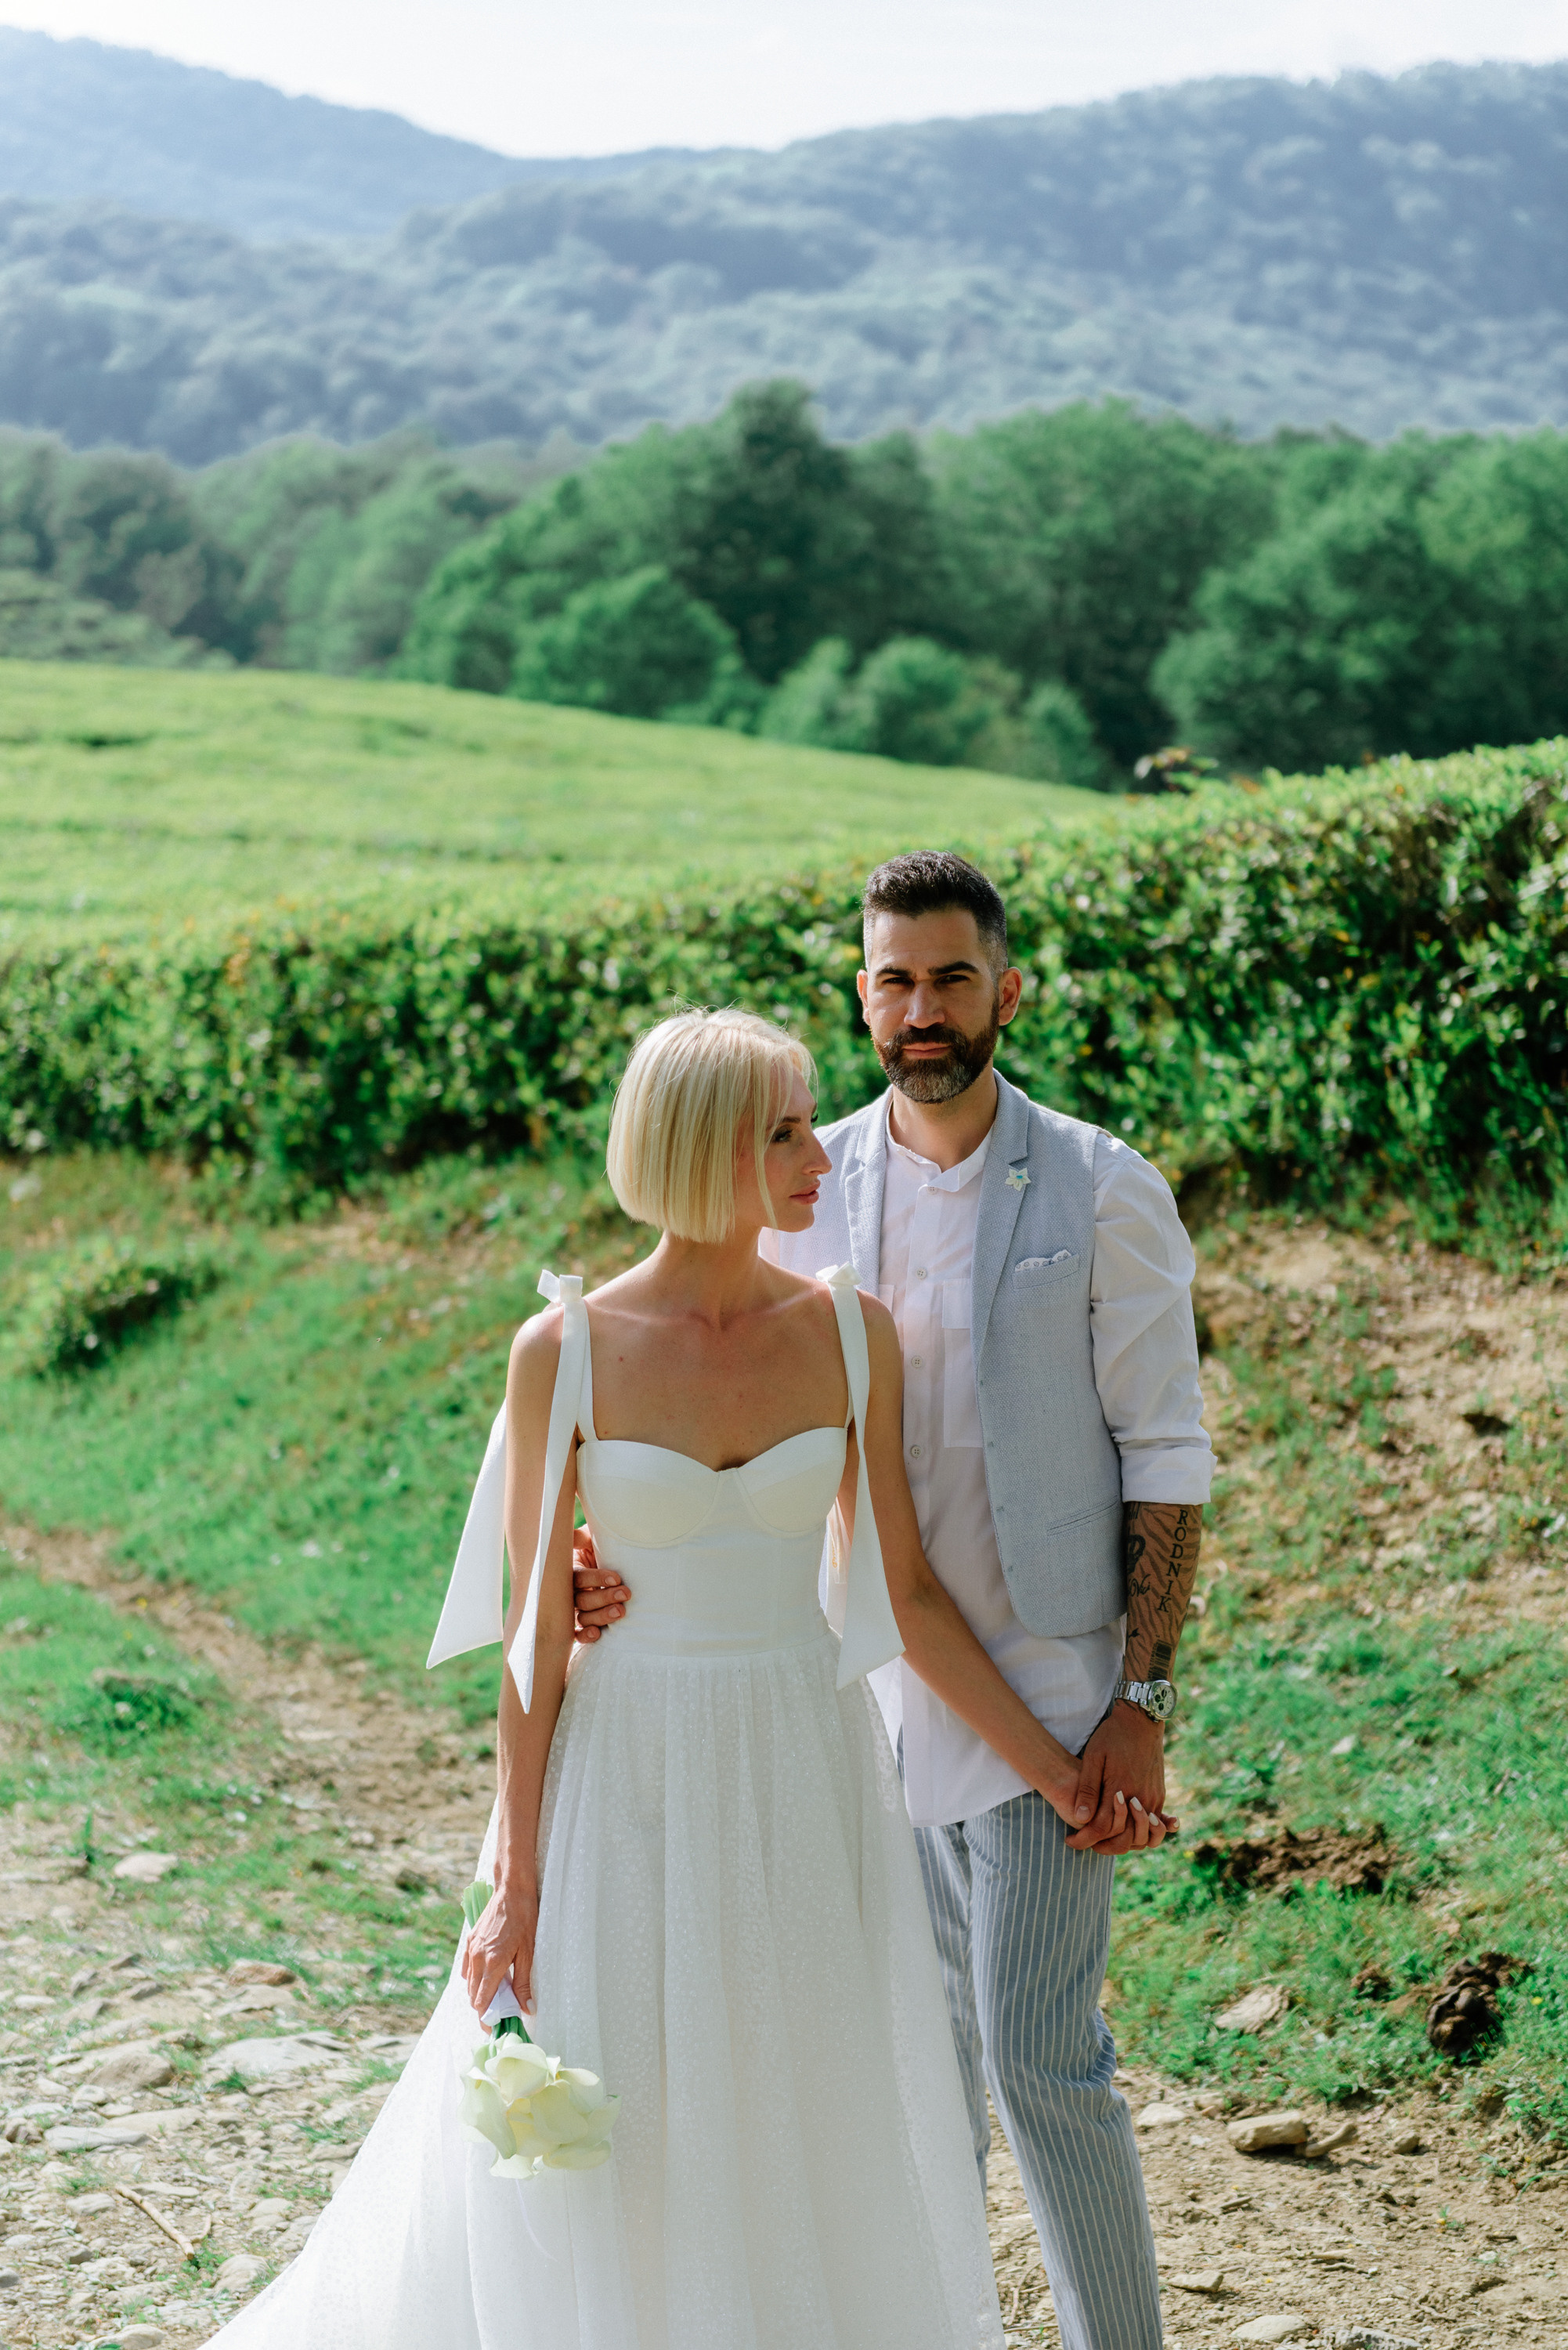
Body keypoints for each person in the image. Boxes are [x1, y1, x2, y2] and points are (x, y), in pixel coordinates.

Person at [208, 1006, 1159, 2350]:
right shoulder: (563, 1349)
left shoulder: (852, 1334)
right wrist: (515, 1881)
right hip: (626, 1764)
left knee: (792, 2096)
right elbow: (535, 1641)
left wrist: (1060, 1777)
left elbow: (904, 1594)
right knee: (632, 2095)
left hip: (800, 1759)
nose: (820, 1160)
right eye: (785, 1134)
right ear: (706, 1150)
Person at [576, 856, 1212, 2350]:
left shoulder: (1103, 1187)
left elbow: (1166, 1454)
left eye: (949, 979)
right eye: (893, 981)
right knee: (915, 2066)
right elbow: (690, 1363)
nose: (921, 1010)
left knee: (1038, 2054)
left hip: (1049, 1679)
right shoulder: (803, 1180)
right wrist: (606, 1554)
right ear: (862, 997)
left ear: (1007, 992)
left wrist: (1140, 1699)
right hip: (855, 1686)